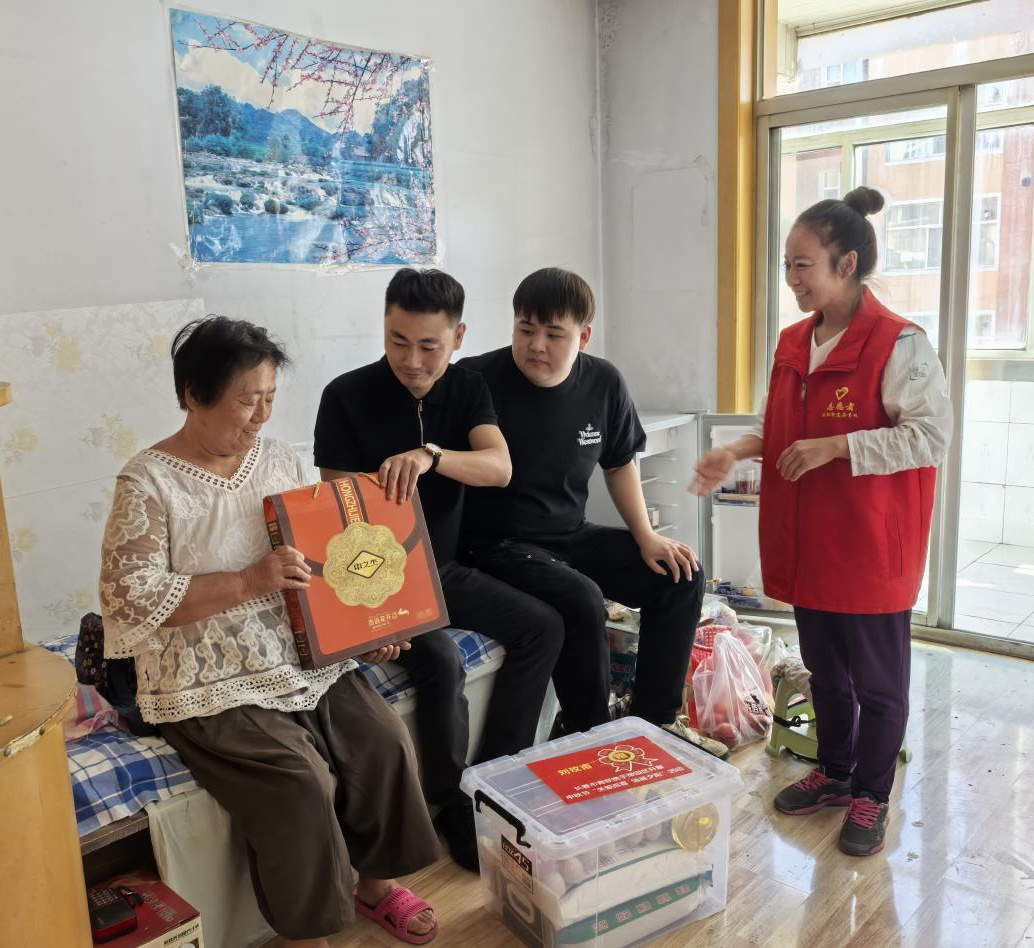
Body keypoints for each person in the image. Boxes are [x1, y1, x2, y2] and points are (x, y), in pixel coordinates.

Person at [99, 317, 440, 947]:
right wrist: (248, 580)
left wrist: (366, 632)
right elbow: (129, 598)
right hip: (202, 670)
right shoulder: (148, 482)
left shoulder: (280, 459)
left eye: (270, 398)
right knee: (300, 781)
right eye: (245, 401)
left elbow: (323, 564)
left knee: (384, 739)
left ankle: (374, 883)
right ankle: (307, 935)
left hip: (297, 650)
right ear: (192, 395)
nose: (260, 416)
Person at [691, 187, 953, 856]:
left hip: (869, 546)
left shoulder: (900, 344)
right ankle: (835, 773)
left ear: (848, 263)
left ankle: (872, 794)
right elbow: (780, 427)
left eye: (803, 264)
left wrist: (838, 447)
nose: (792, 278)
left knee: (879, 685)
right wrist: (734, 450)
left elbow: (930, 437)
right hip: (809, 542)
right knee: (825, 673)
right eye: (787, 264)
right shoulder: (793, 342)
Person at [313, 268, 562, 872]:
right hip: (380, 580)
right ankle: (451, 803)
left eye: (429, 346)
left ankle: (494, 778)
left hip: (443, 568)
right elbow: (336, 516)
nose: (412, 360)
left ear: (458, 337)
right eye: (397, 341)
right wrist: (370, 612)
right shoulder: (345, 395)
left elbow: (499, 467)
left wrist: (432, 455)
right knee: (442, 659)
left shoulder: (468, 388)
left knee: (544, 626)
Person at [457, 267, 707, 748]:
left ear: (583, 336)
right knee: (582, 597)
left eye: (554, 334)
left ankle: (653, 724)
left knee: (681, 576)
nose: (536, 346)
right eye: (525, 330)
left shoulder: (603, 382)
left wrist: (646, 537)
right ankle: (590, 734)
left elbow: (619, 463)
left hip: (569, 535)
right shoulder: (475, 379)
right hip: (494, 545)